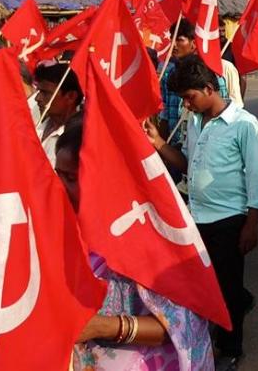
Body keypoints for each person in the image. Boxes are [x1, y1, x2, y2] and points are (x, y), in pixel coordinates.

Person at [55, 124, 214, 370]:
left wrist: (103, 327)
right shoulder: (59, 226)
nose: (59, 186)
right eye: (58, 175)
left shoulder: (151, 233)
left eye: (72, 178)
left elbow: (182, 324)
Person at [144, 56, 258, 368]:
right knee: (203, 284)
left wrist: (252, 224)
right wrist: (157, 142)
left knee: (228, 288)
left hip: (229, 220)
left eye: (190, 97)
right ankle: (217, 326)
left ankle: (231, 347)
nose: (186, 105)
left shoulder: (243, 125)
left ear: (209, 89)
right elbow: (188, 164)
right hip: (196, 218)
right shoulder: (195, 122)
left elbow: (257, 177)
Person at [158, 21, 234, 142]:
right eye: (172, 40)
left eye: (179, 40)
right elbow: (165, 115)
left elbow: (220, 110)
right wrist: (161, 144)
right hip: (175, 142)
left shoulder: (209, 73)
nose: (174, 45)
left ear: (193, 43)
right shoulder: (168, 74)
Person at [35, 62, 82, 166]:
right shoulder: (35, 126)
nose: (37, 98)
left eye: (45, 93)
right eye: (38, 91)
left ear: (71, 96)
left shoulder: (79, 139)